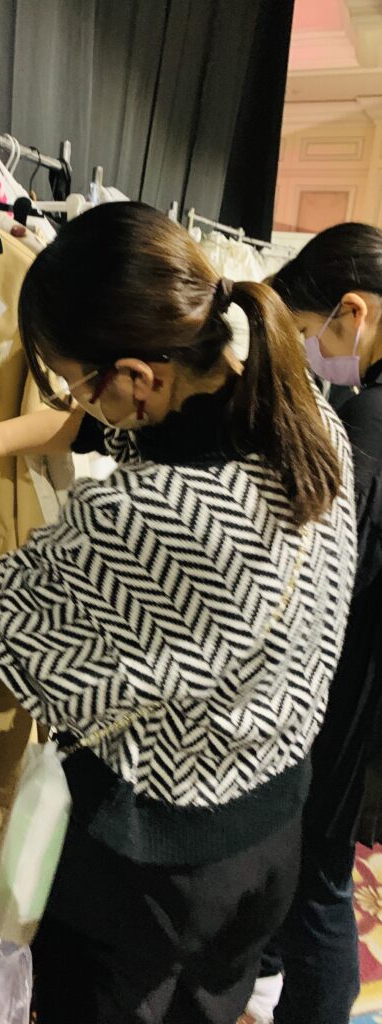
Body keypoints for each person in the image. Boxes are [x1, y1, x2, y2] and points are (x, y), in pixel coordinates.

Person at [0, 202, 357, 1024]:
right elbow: (107, 442)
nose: (75, 401)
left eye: (74, 383)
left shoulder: (143, 516)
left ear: (140, 378)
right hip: (271, 824)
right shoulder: (308, 423)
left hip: (154, 869)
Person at [241, 222, 382, 1024]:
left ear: (352, 314)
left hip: (354, 690)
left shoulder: (365, 430)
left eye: (307, 332)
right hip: (363, 687)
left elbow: (332, 577)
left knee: (321, 882)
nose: (307, 352)